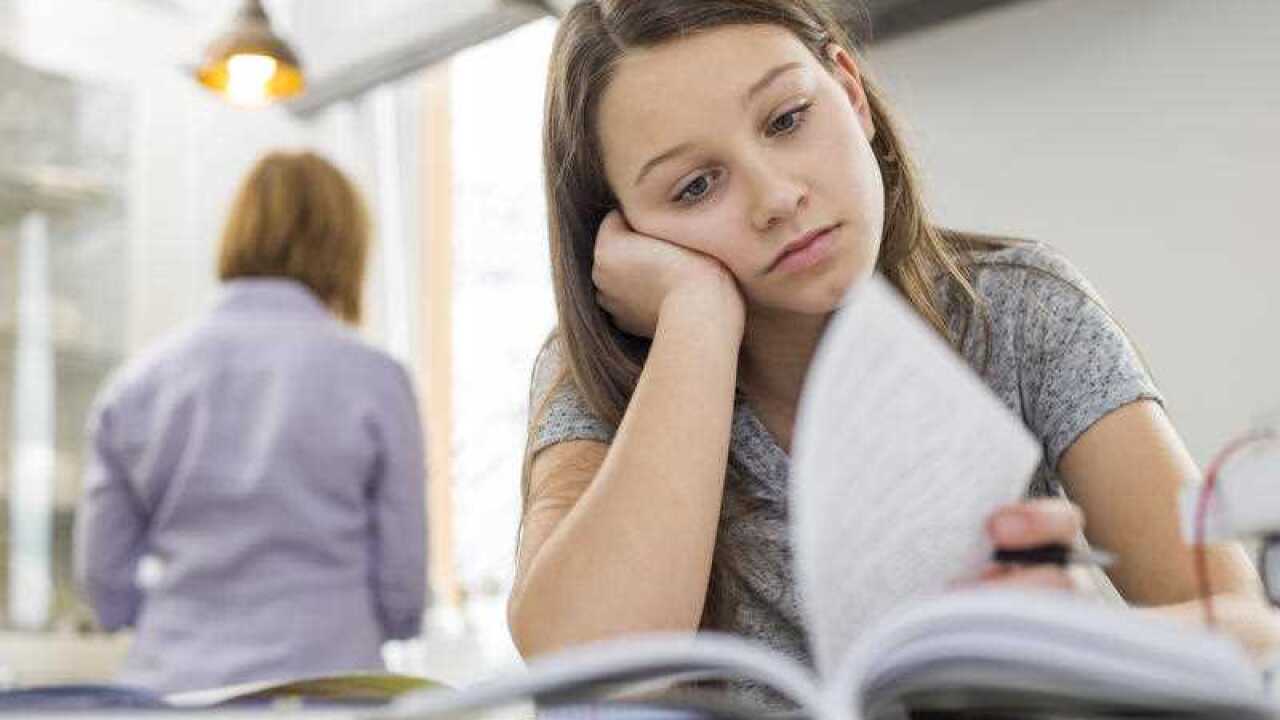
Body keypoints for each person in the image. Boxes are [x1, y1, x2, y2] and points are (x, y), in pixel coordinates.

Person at [509, 0, 1280, 705]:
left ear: (848, 91)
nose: (777, 198)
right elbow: (590, 671)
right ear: (625, 238)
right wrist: (697, 319)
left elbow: (1251, 636)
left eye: (785, 120)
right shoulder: (607, 376)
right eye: (695, 187)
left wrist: (1071, 644)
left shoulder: (1018, 311)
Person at [74, 151, 427, 693]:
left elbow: (103, 584)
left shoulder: (136, 386)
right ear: (344, 245)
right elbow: (402, 583)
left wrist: (181, 631)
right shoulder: (377, 380)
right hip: (331, 684)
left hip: (175, 687)